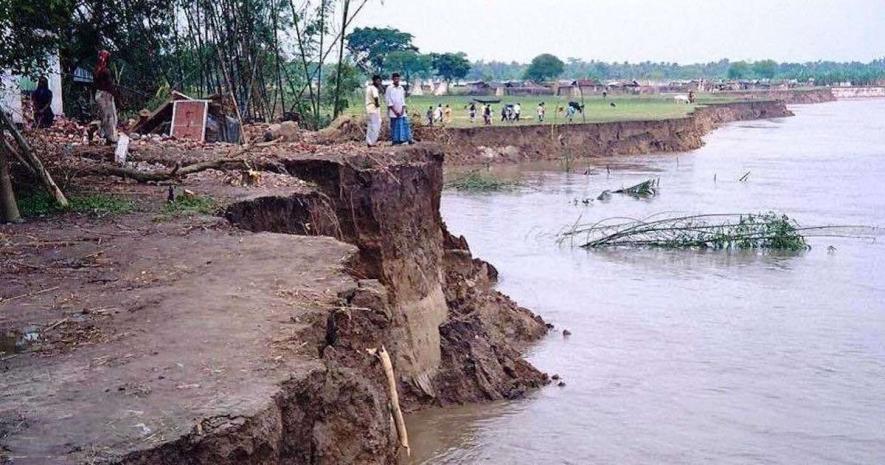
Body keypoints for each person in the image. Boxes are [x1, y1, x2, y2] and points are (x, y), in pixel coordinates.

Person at [93, 50, 118, 144]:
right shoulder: (105, 71)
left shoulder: (96, 70)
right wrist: (115, 95)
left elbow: (95, 84)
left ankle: (106, 135)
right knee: (110, 117)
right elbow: (109, 85)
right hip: (106, 95)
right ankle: (110, 137)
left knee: (105, 116)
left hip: (99, 94)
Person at [386, 73, 412, 145]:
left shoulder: (401, 88)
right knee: (395, 126)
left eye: (398, 79)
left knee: (404, 124)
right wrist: (394, 111)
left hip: (401, 110)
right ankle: (395, 140)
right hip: (393, 110)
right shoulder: (390, 88)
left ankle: (406, 139)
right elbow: (389, 101)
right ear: (393, 79)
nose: (397, 80)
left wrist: (402, 110)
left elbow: (402, 100)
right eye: (395, 79)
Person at [364, 74, 383, 147]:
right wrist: (378, 104)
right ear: (374, 81)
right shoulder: (374, 88)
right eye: (378, 81)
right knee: (376, 125)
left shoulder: (369, 87)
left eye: (380, 81)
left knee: (370, 126)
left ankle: (369, 141)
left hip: (368, 109)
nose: (379, 82)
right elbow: (376, 97)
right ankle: (372, 142)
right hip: (374, 109)